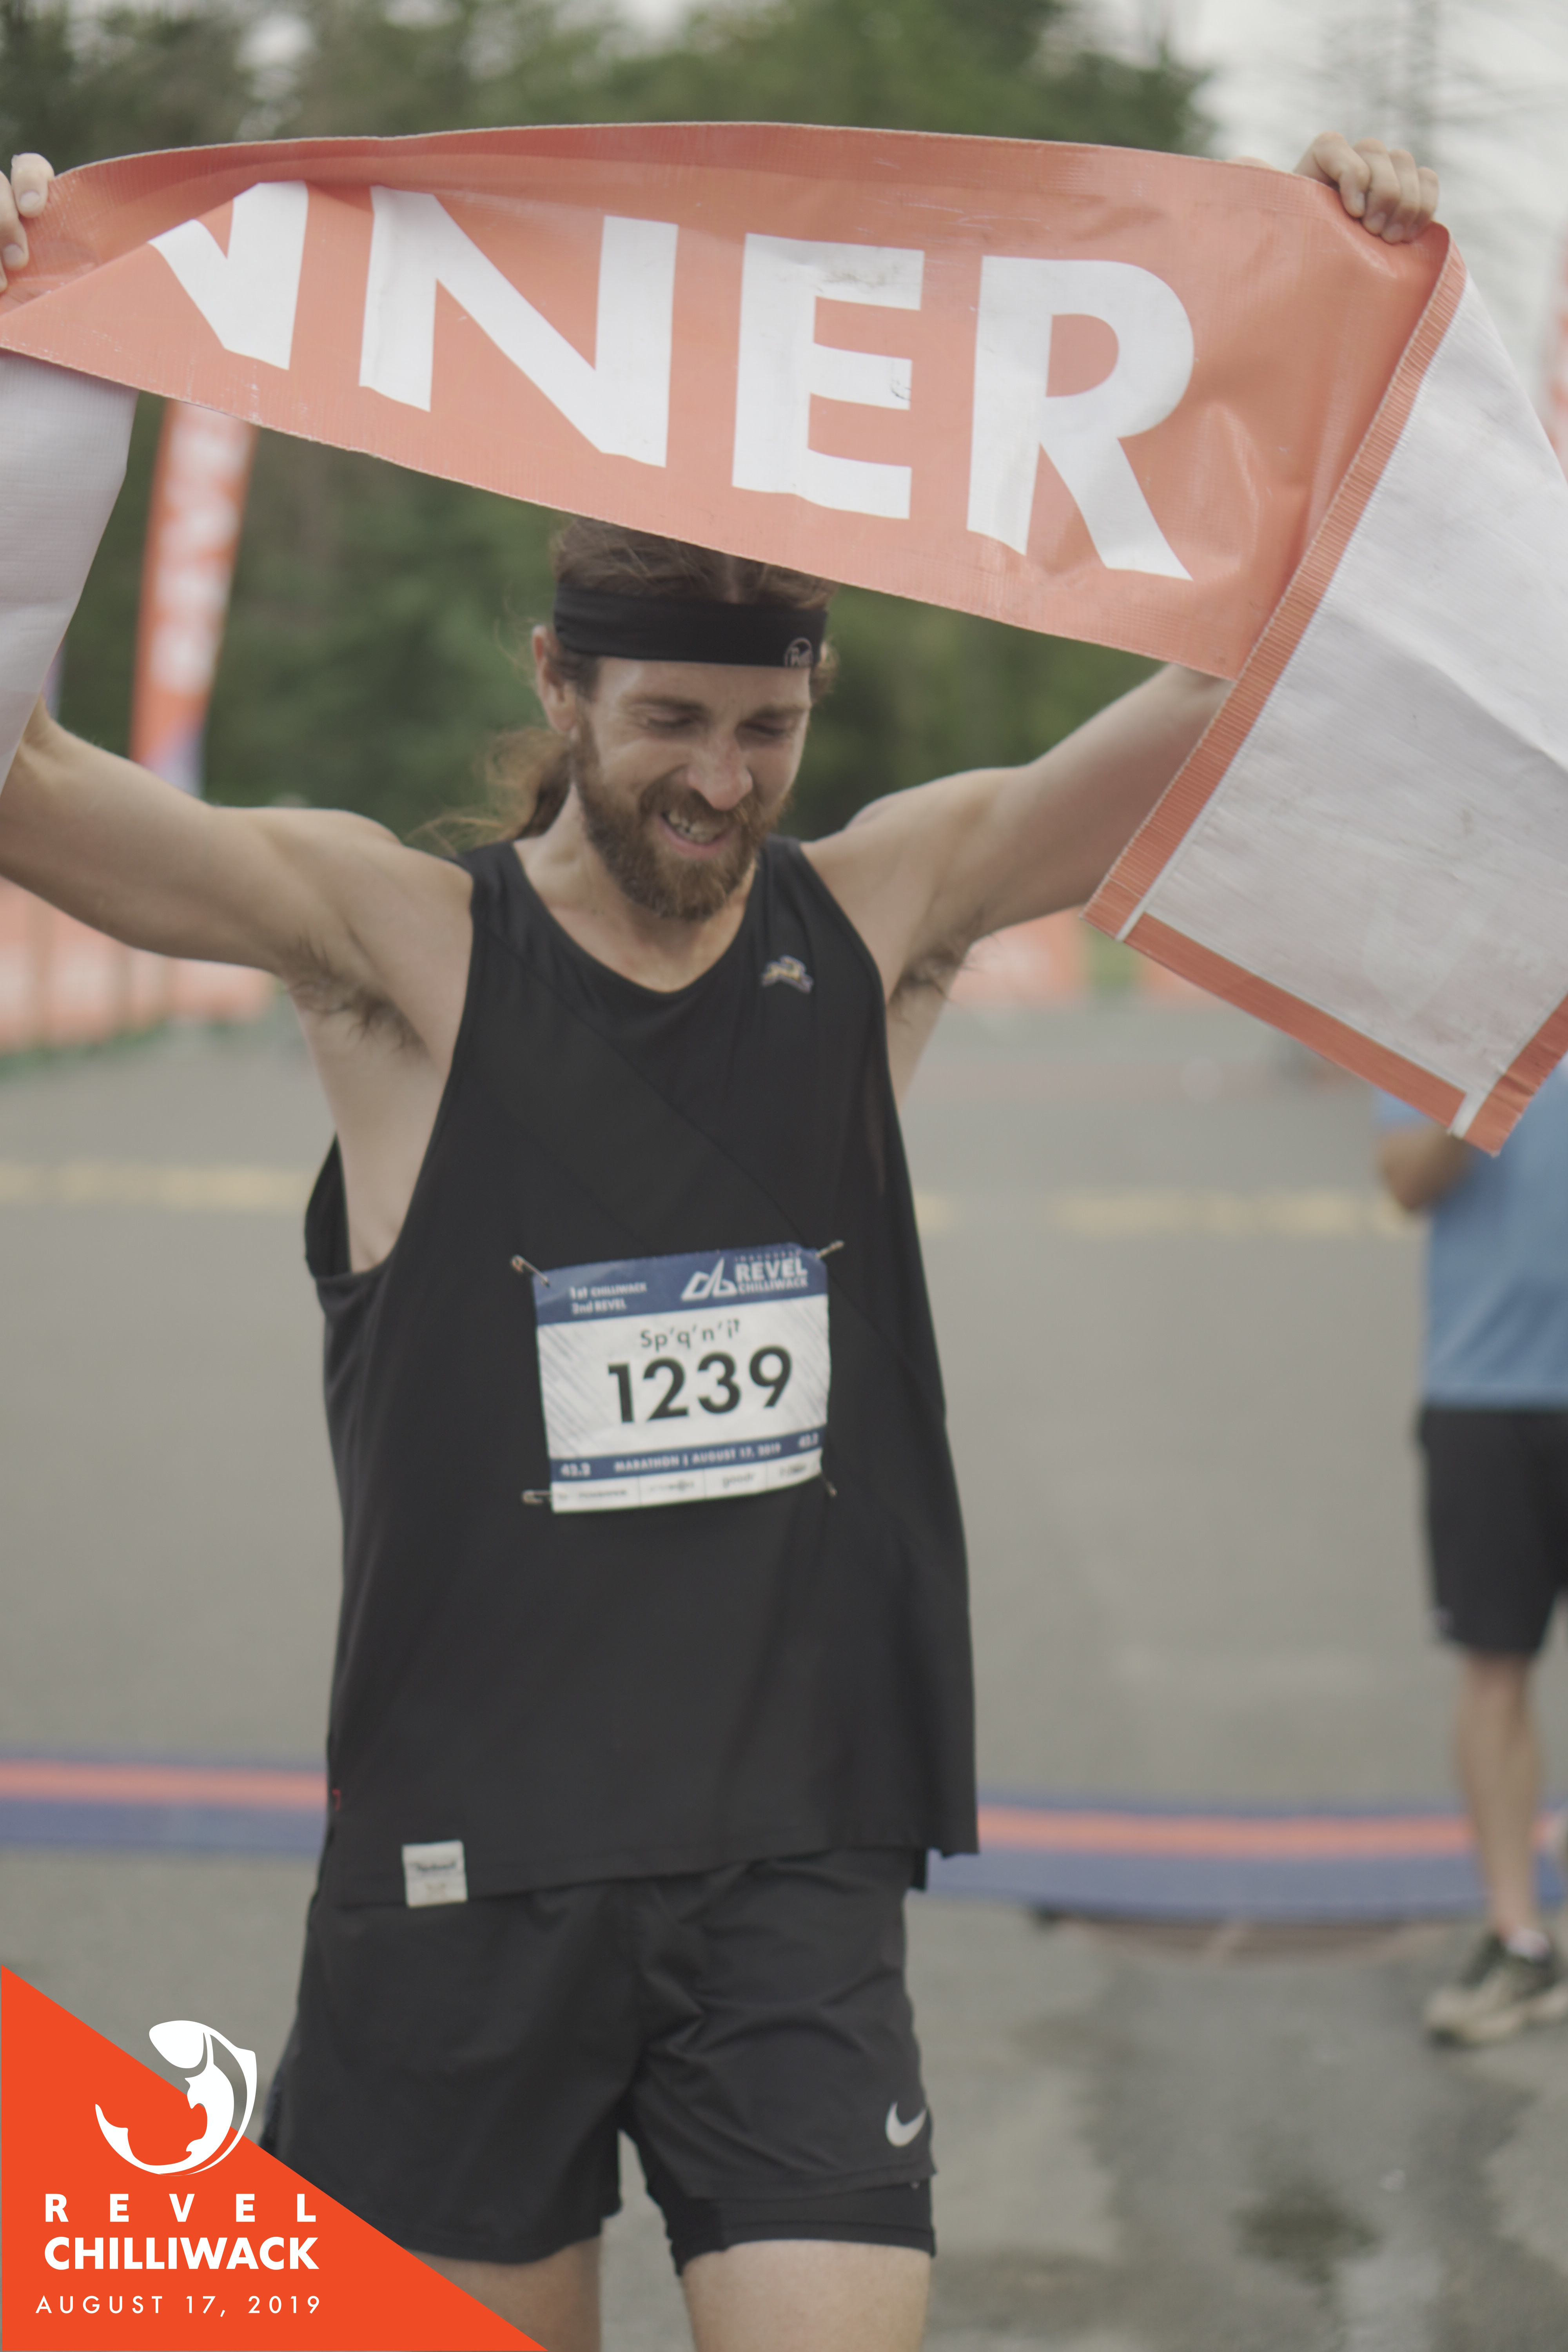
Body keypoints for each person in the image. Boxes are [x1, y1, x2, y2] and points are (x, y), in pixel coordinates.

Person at [2, 134, 1438, 2352]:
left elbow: (1243, 689)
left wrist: (1366, 326)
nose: (721, 781)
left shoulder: (875, 916)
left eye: (768, 731)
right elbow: (23, 788)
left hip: (787, 1859)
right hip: (467, 1867)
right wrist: (25, 393)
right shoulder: (403, 943)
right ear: (563, 686)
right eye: (672, 723)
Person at [1378, 1080, 1568, 2047]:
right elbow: (1403, 1181)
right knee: (1494, 1667)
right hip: (1484, 1393)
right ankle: (1516, 1936)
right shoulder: (1453, 1023)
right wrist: (1479, 1094)